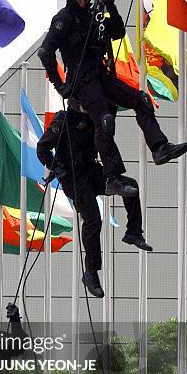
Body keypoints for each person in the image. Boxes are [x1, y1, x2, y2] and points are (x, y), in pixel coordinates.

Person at [37, 0, 187, 197]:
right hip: (82, 81)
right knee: (105, 121)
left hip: (100, 75)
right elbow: (45, 52)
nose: (84, 2)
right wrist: (60, 85)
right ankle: (112, 176)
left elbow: (117, 32)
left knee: (140, 99)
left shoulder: (94, 16)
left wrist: (110, 5)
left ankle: (159, 147)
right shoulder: (63, 20)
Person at [37, 104, 153, 298]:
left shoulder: (97, 117)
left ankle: (133, 232)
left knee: (130, 187)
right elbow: (43, 148)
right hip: (74, 177)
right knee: (93, 220)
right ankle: (91, 271)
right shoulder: (64, 120)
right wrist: (57, 168)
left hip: (91, 170)